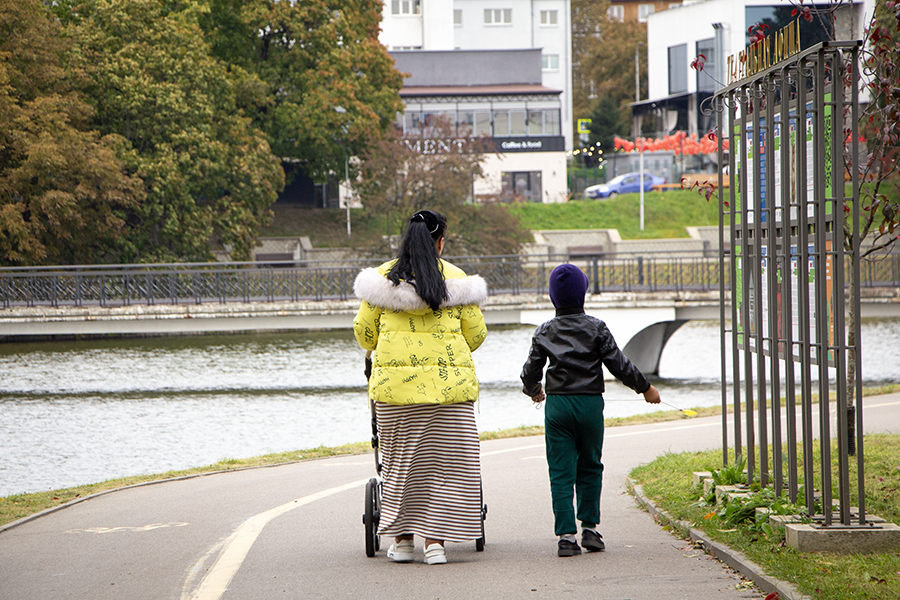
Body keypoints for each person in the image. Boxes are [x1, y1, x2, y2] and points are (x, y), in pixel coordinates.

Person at [353, 209, 488, 565]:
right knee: (446, 466)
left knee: (399, 465)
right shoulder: (458, 281)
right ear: (441, 242)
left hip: (395, 393)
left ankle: (402, 542)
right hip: (450, 394)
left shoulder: (380, 282)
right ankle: (435, 545)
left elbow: (365, 334)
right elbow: (476, 336)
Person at [520, 263, 661, 557]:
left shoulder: (544, 330)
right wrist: (645, 388)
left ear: (552, 296)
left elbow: (531, 370)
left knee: (561, 471)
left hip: (557, 406)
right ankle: (591, 530)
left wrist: (535, 391)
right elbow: (619, 364)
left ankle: (566, 537)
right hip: (590, 405)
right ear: (583, 293)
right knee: (590, 465)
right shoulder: (596, 327)